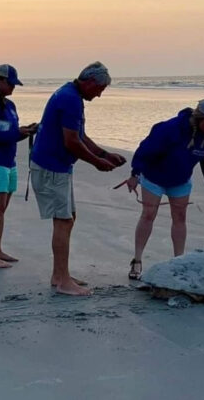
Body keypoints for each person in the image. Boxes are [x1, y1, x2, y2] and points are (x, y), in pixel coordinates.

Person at [30, 61, 126, 296]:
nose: (100, 94)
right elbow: (71, 142)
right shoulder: (70, 99)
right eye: (100, 89)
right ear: (90, 82)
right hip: (51, 167)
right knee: (62, 221)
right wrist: (97, 163)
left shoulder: (71, 94)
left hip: (58, 167)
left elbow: (80, 135)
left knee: (69, 217)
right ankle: (63, 281)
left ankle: (59, 274)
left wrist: (103, 153)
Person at [125, 99, 204, 279]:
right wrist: (135, 174)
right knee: (148, 214)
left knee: (180, 218)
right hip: (154, 177)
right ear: (199, 118)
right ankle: (137, 260)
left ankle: (179, 262)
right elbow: (145, 150)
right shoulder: (170, 129)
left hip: (180, 181)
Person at [0, 64, 38, 268]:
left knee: (2, 209)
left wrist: (25, 131)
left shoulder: (10, 106)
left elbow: (10, 133)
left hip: (7, 162)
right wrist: (16, 134)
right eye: (10, 83)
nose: (13, 87)